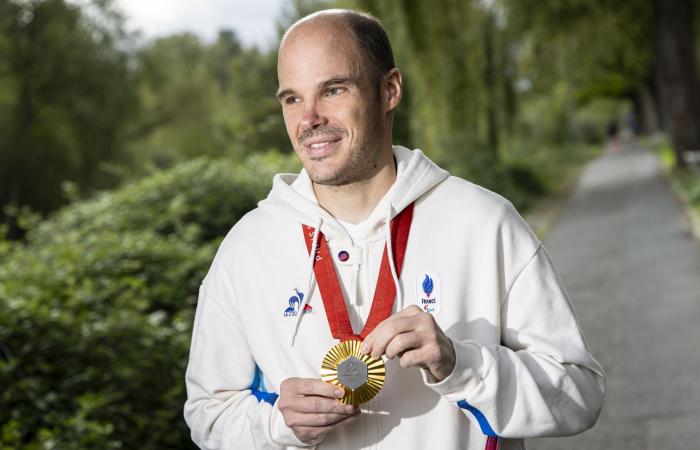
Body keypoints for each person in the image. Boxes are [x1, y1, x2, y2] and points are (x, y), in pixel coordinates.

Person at [184, 9, 605, 450]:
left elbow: (579, 394)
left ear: (389, 90)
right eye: (292, 99)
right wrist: (275, 425)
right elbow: (208, 416)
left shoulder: (484, 222)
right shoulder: (246, 249)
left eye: (333, 90)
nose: (308, 118)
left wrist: (461, 365)